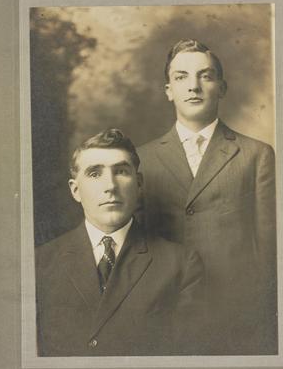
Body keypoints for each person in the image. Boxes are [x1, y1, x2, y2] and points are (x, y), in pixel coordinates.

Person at [138, 39, 277, 355]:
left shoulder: (256, 155)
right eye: (181, 77)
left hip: (235, 314)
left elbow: (268, 249)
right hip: (164, 310)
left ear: (222, 88)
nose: (194, 86)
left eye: (206, 76)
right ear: (168, 90)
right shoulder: (141, 159)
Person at [35, 128, 203, 356]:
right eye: (95, 174)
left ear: (139, 183)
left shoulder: (181, 265)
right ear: (75, 190)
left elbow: (185, 359)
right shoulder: (40, 263)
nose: (110, 186)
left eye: (121, 171)